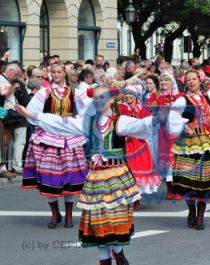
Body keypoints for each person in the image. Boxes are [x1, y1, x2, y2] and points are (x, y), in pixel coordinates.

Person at [15, 84, 176, 265]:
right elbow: (62, 122)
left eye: (102, 98)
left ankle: (119, 253)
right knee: (99, 222)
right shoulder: (87, 122)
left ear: (112, 100)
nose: (98, 101)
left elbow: (140, 125)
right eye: (96, 98)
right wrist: (33, 115)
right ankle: (107, 260)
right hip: (95, 179)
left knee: (114, 222)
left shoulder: (119, 121)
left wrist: (158, 119)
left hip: (116, 178)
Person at [22, 64, 88, 229]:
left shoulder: (75, 92)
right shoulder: (44, 92)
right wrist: (45, 122)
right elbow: (32, 112)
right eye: (53, 72)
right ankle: (55, 214)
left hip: (68, 136)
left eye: (59, 72)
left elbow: (87, 110)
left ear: (65, 74)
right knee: (49, 175)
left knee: (70, 175)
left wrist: (76, 120)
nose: (56, 74)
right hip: (50, 136)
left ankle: (68, 215)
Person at [168, 70, 210, 229]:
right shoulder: (182, 100)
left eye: (194, 79)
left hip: (207, 141)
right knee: (188, 178)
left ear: (200, 81)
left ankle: (201, 215)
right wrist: (184, 126)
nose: (191, 82)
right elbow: (172, 118)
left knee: (206, 180)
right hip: (189, 142)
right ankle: (191, 210)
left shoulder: (209, 99)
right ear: (185, 82)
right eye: (188, 80)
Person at [119, 84, 160, 210]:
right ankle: (127, 197)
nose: (128, 96)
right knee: (125, 170)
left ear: (136, 95)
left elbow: (148, 123)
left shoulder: (142, 109)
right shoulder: (120, 108)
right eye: (126, 94)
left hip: (139, 142)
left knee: (138, 170)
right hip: (125, 142)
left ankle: (136, 198)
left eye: (130, 94)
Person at [147, 72, 183, 200]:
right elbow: (148, 110)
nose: (163, 83)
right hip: (161, 131)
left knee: (176, 159)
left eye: (166, 80)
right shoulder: (155, 96)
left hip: (176, 132)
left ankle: (178, 189)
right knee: (164, 160)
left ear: (171, 82)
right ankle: (169, 189)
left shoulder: (179, 96)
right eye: (161, 80)